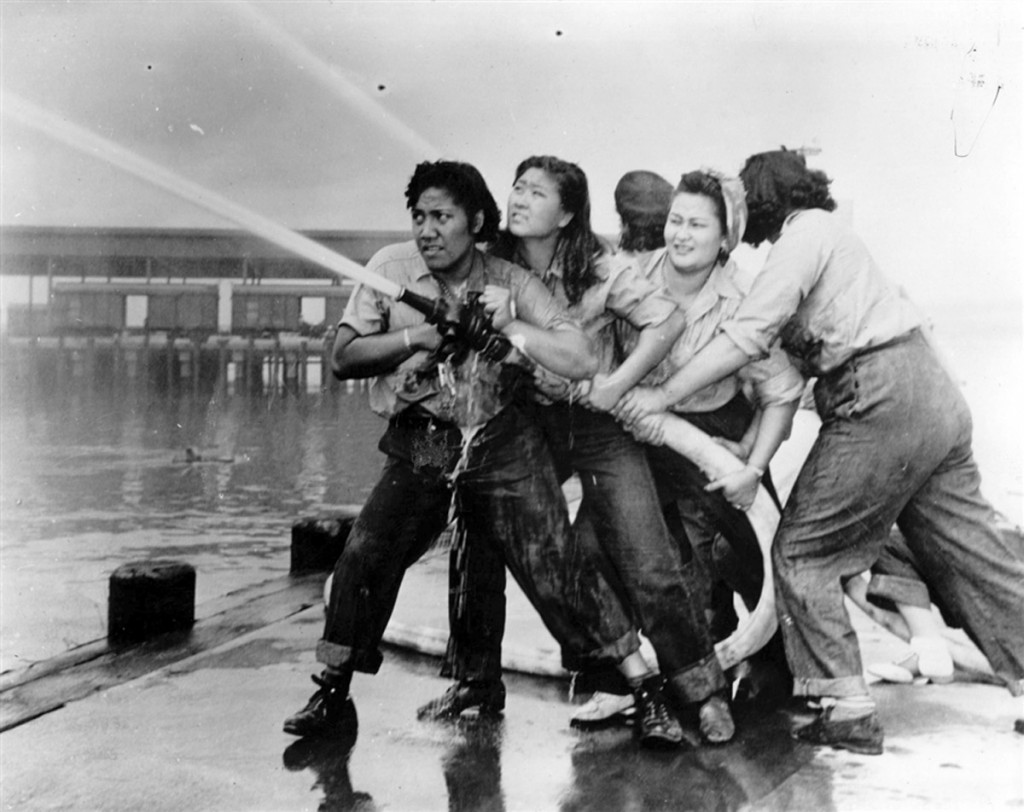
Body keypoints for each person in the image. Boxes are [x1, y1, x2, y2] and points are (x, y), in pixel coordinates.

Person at [615, 148, 1024, 755]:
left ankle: (846, 705)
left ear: (763, 198)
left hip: (878, 393)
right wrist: (750, 450)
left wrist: (664, 395)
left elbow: (749, 333)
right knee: (969, 548)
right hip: (931, 397)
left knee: (801, 550)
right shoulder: (838, 239)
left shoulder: (804, 236)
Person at [423, 155, 736, 748]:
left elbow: (664, 322)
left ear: (566, 213)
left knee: (645, 554)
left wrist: (618, 385)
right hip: (524, 416)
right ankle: (477, 681)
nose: (517, 199)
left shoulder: (602, 266)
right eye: (516, 187)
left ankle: (703, 690)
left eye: (535, 193)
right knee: (476, 534)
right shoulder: (496, 263)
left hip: (596, 420)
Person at [283, 159, 600, 738]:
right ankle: (333, 690)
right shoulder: (390, 268)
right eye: (419, 216)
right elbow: (342, 358)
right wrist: (420, 335)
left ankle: (515, 682)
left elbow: (577, 355)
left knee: (498, 555)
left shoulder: (510, 281)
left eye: (442, 217)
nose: (427, 230)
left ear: (475, 221)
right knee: (371, 547)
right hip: (429, 437)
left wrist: (510, 331)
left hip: (495, 436)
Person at [622, 168, 804, 714]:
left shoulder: (747, 296)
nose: (681, 234)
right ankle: (655, 682)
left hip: (718, 431)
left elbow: (783, 389)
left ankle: (771, 672)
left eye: (697, 225)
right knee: (655, 554)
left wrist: (756, 461)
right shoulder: (630, 277)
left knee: (754, 557)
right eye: (675, 220)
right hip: (640, 432)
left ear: (726, 236)